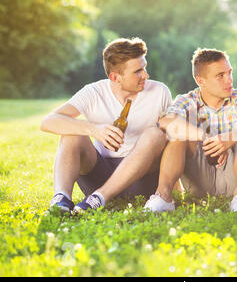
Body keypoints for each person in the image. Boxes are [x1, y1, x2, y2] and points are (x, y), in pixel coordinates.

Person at [40, 37, 172, 214]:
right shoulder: (93, 92)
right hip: (100, 174)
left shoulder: (159, 91)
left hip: (141, 180)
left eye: (145, 68)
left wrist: (174, 186)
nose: (146, 75)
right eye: (138, 71)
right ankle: (61, 199)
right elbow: (48, 121)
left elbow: (172, 140)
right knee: (71, 132)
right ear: (115, 77)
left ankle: (99, 198)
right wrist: (94, 129)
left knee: (156, 134)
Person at [143, 48, 237, 213]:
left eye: (229, 73)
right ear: (201, 81)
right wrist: (207, 137)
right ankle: (163, 197)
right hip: (200, 180)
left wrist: (229, 138)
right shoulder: (187, 101)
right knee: (178, 132)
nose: (229, 80)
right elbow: (167, 121)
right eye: (220, 76)